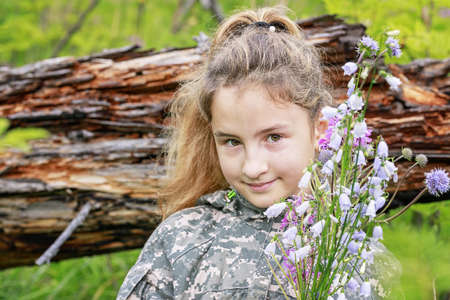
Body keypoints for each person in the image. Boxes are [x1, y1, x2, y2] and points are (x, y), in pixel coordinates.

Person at [116, 5, 396, 300]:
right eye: (232, 142)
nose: (252, 167)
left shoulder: (357, 257)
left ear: (320, 130)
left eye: (273, 137)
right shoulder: (181, 241)